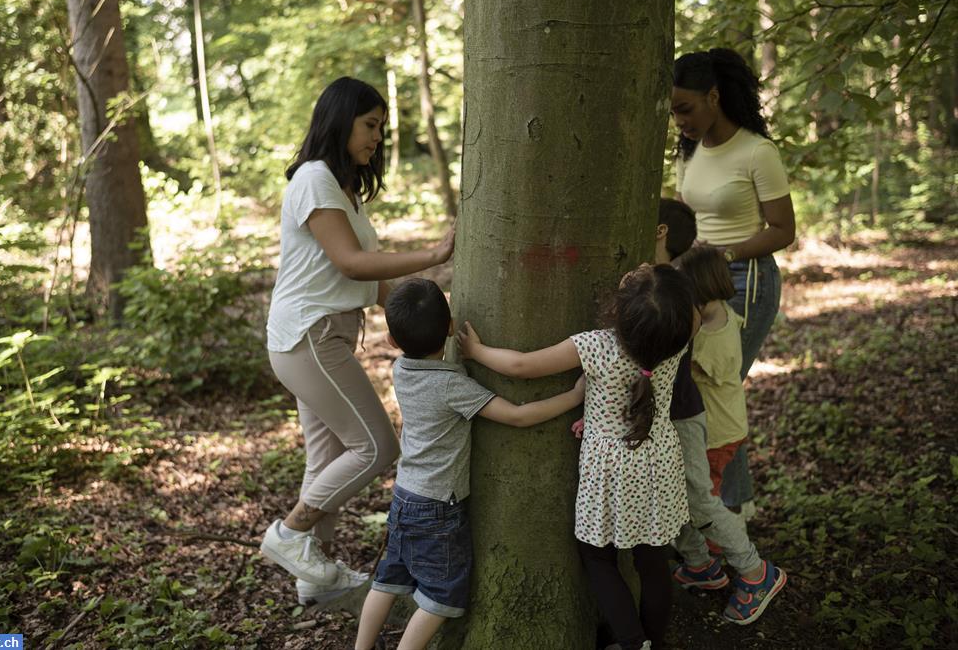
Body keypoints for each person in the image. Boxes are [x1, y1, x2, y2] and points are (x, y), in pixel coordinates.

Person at [260, 77, 456, 605]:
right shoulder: (315, 178)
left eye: (381, 129)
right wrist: (432, 254)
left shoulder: (341, 189)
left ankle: (312, 578)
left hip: (321, 337)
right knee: (376, 446)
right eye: (370, 125)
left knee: (324, 460)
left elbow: (371, 282)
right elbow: (351, 262)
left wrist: (433, 308)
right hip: (310, 337)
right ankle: (291, 535)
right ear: (340, 119)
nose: (377, 138)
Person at [460, 264, 697, 650]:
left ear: (620, 312)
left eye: (639, 274)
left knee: (596, 556)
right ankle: (654, 638)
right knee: (652, 561)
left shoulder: (596, 346)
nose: (638, 267)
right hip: (658, 460)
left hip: (611, 469)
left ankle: (635, 644)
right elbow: (681, 312)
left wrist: (476, 350)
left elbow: (522, 366)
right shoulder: (678, 336)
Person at [354, 279, 584, 650]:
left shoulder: (401, 370)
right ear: (449, 328)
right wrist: (573, 396)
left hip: (404, 495)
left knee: (389, 578)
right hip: (437, 508)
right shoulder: (451, 385)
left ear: (394, 342)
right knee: (440, 596)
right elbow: (517, 416)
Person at [671, 48, 797, 511]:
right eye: (673, 111)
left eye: (686, 108)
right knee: (702, 389)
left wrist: (724, 253)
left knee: (718, 390)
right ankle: (720, 512)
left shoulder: (757, 151)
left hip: (746, 280)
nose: (679, 120)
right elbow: (688, 216)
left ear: (714, 96)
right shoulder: (690, 152)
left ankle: (731, 513)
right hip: (695, 279)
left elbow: (784, 230)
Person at [672, 245, 786, 625]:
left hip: (715, 437)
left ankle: (755, 572)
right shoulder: (718, 316)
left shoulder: (710, 337)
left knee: (701, 502)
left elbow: (678, 369)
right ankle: (702, 564)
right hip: (712, 431)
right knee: (688, 497)